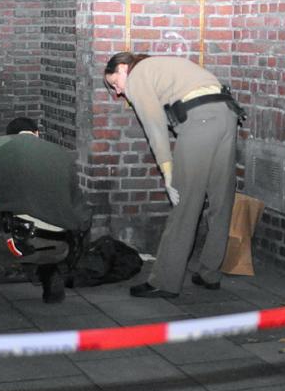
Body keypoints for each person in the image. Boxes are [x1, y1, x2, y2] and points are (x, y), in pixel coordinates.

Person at [103, 52, 243, 298]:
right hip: (227, 114)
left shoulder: (138, 76)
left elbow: (154, 128)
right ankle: (210, 273)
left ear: (123, 68)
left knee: (185, 202)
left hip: (200, 121)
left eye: (114, 83)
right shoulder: (162, 65)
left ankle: (165, 281)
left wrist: (167, 172)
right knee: (221, 201)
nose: (118, 92)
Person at [0, 117, 91, 304]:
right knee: (40, 220)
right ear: (37, 133)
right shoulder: (61, 154)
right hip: (60, 247)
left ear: (9, 136)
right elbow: (81, 212)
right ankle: (49, 272)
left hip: (20, 243)